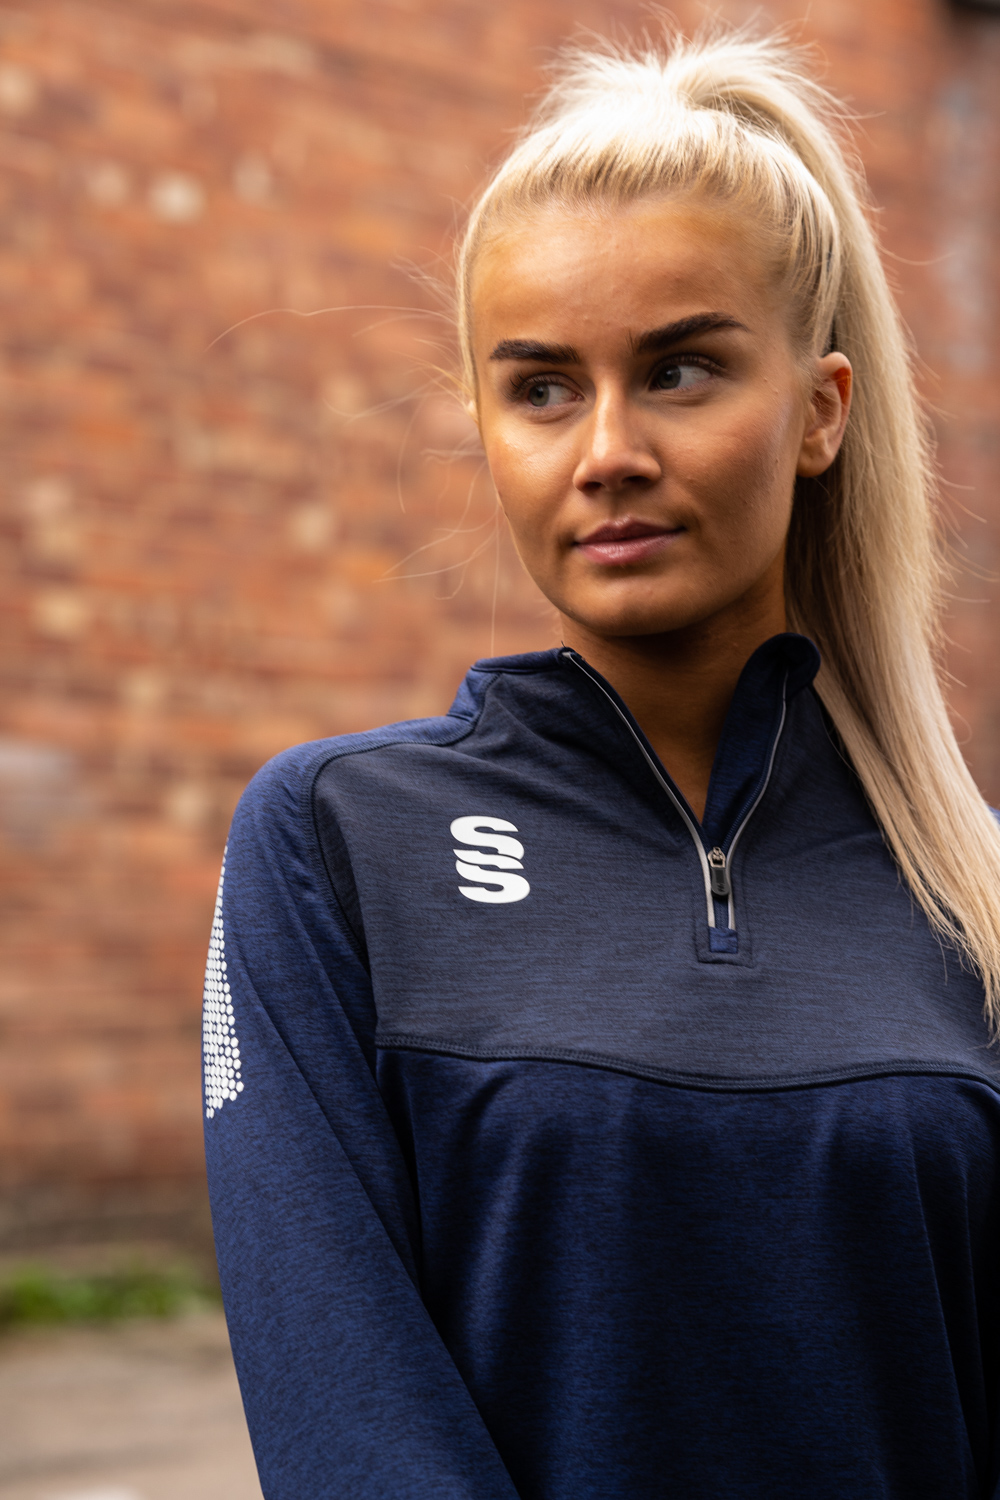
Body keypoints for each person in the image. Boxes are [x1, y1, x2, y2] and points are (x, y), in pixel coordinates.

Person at [202, 28, 1000, 1500]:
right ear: (484, 427)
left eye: (681, 371)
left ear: (820, 410)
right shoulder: (337, 844)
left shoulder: (978, 898)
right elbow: (346, 1419)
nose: (609, 449)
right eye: (544, 388)